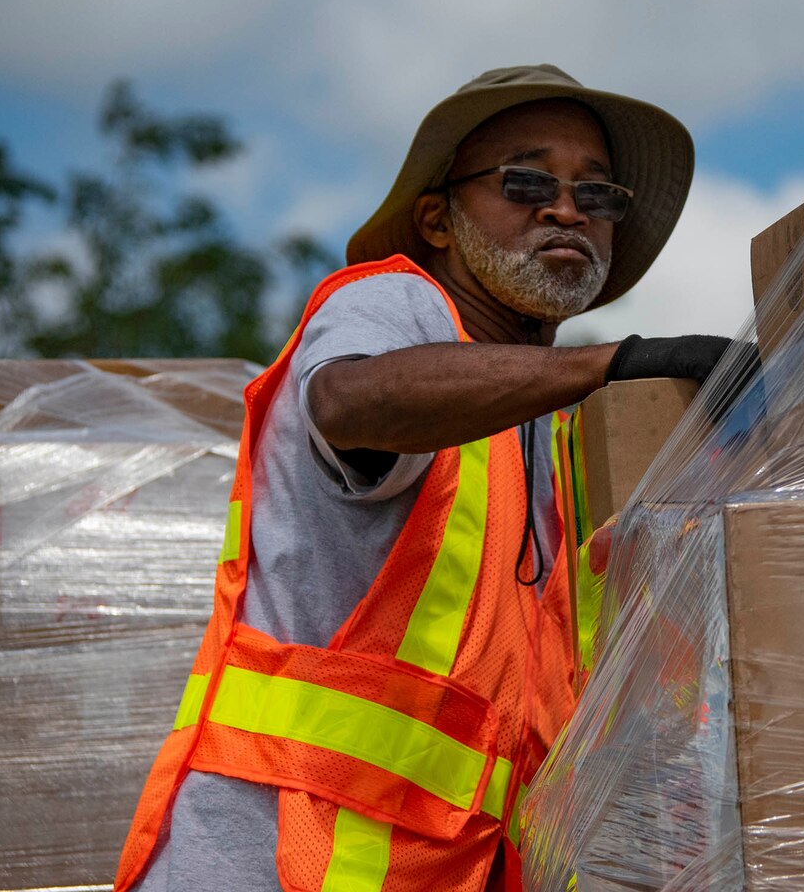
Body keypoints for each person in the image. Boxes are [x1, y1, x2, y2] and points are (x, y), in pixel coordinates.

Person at [115, 65, 734, 892]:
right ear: (438, 220)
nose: (565, 209)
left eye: (598, 194)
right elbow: (348, 399)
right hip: (273, 861)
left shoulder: (549, 433)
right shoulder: (395, 305)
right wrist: (613, 362)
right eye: (526, 181)